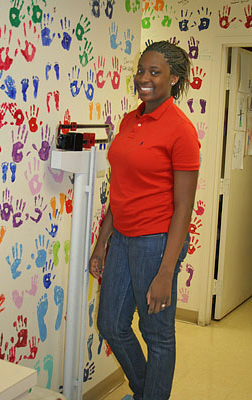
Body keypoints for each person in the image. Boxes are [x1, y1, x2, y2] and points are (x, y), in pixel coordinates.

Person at [89, 40, 200, 400]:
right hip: (121, 236)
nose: (144, 78)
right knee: (111, 324)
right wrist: (102, 242)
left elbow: (183, 207)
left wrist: (166, 271)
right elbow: (121, 187)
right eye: (141, 70)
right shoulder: (129, 119)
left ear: (174, 77)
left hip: (156, 243)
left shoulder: (180, 129)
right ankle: (146, 392)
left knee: (157, 334)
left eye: (155, 72)